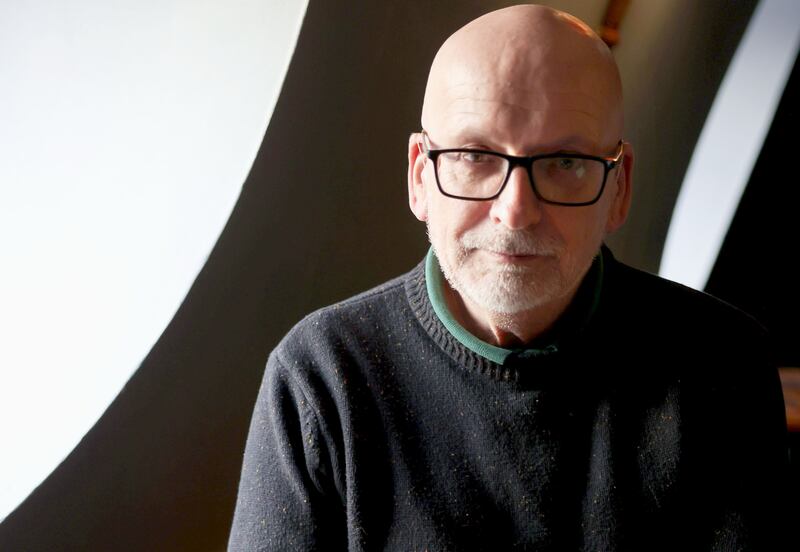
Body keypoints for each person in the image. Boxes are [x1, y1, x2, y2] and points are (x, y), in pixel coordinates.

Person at [228, 5, 788, 550]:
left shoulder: (723, 364)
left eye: (565, 162)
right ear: (420, 177)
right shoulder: (322, 376)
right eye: (475, 156)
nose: (515, 211)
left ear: (619, 188)